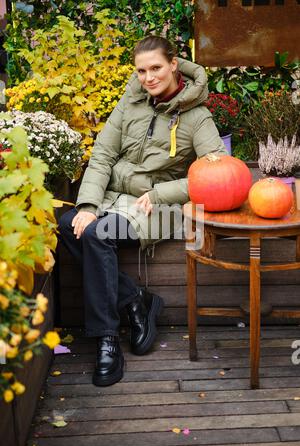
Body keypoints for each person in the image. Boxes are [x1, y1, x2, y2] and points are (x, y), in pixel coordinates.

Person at [58, 35, 227, 387]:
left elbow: (219, 170)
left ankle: (106, 338)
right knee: (68, 223)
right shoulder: (131, 101)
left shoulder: (197, 116)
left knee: (97, 233)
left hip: (159, 208)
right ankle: (136, 300)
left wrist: (164, 191)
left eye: (156, 68)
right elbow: (102, 154)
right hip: (112, 197)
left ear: (174, 65)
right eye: (141, 71)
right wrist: (88, 204)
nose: (148, 78)